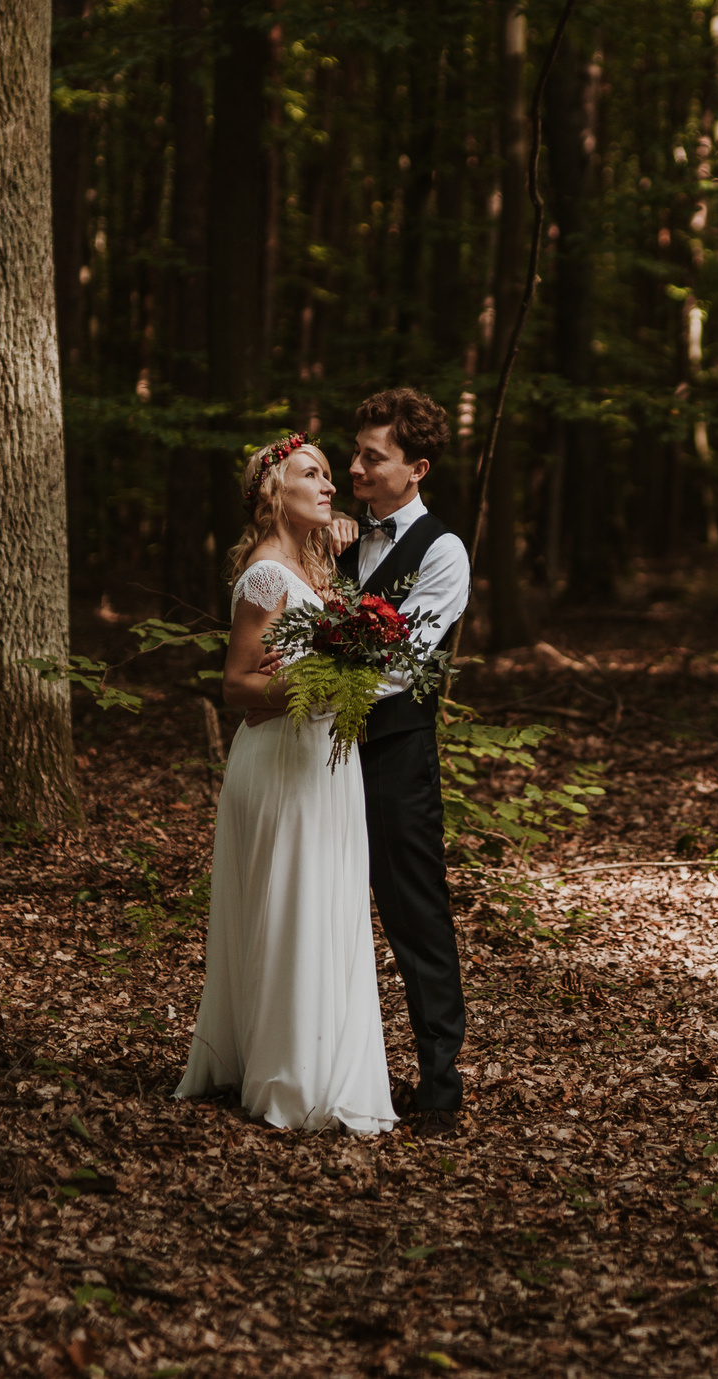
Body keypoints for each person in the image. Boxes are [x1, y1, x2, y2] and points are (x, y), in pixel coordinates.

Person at [173, 436, 395, 1134]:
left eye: (332, 474)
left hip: (326, 758)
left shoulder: (317, 564)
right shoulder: (267, 575)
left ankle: (326, 1058)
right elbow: (236, 685)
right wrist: (314, 678)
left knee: (328, 903)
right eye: (312, 473)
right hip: (278, 761)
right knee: (293, 905)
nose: (330, 484)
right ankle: (287, 1074)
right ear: (274, 490)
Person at [339, 387, 472, 1137]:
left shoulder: (441, 551)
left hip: (393, 754)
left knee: (413, 911)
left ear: (416, 468)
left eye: (372, 456)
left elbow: (401, 664)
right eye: (355, 453)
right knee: (324, 902)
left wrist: (319, 689)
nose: (356, 467)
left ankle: (440, 1081)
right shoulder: (345, 540)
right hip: (320, 758)